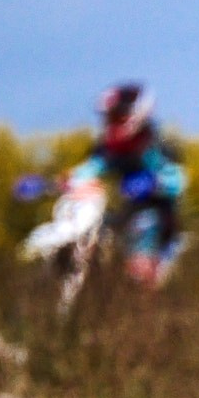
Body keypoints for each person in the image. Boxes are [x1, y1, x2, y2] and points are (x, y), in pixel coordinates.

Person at [76, 82, 187, 284]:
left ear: (137, 115)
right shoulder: (107, 148)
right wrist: (52, 183)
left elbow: (177, 180)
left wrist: (153, 182)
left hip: (156, 222)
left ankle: (143, 286)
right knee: (90, 236)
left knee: (143, 231)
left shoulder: (153, 144)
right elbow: (87, 171)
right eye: (108, 118)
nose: (112, 124)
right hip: (120, 215)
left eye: (118, 117)